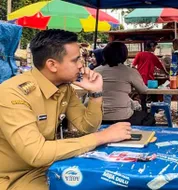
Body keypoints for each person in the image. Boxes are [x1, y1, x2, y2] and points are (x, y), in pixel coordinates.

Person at [0, 29, 132, 190]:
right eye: (75, 60)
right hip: (13, 177)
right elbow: (37, 153)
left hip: (48, 167)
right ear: (52, 65)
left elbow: (86, 127)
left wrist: (96, 93)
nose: (81, 65)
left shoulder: (63, 88)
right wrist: (102, 137)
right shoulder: (12, 94)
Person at [96, 42, 156, 126]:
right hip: (123, 116)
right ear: (124, 55)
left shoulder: (96, 71)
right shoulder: (129, 71)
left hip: (98, 116)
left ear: (104, 54)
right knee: (149, 117)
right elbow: (144, 90)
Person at [133, 40, 169, 111]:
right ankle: (155, 110)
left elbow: (133, 66)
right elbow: (161, 67)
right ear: (152, 47)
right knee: (154, 95)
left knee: (142, 97)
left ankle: (144, 111)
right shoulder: (153, 56)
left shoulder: (139, 54)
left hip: (140, 79)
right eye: (155, 47)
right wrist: (166, 73)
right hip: (150, 80)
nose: (155, 48)